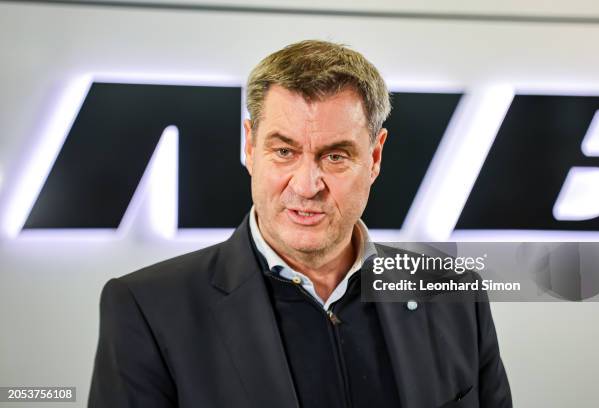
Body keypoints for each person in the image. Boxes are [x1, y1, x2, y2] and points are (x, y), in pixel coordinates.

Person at [88, 40, 512, 408]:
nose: (308, 186)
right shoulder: (148, 308)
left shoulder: (455, 299)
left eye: (335, 156)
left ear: (375, 157)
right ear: (250, 147)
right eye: (285, 152)